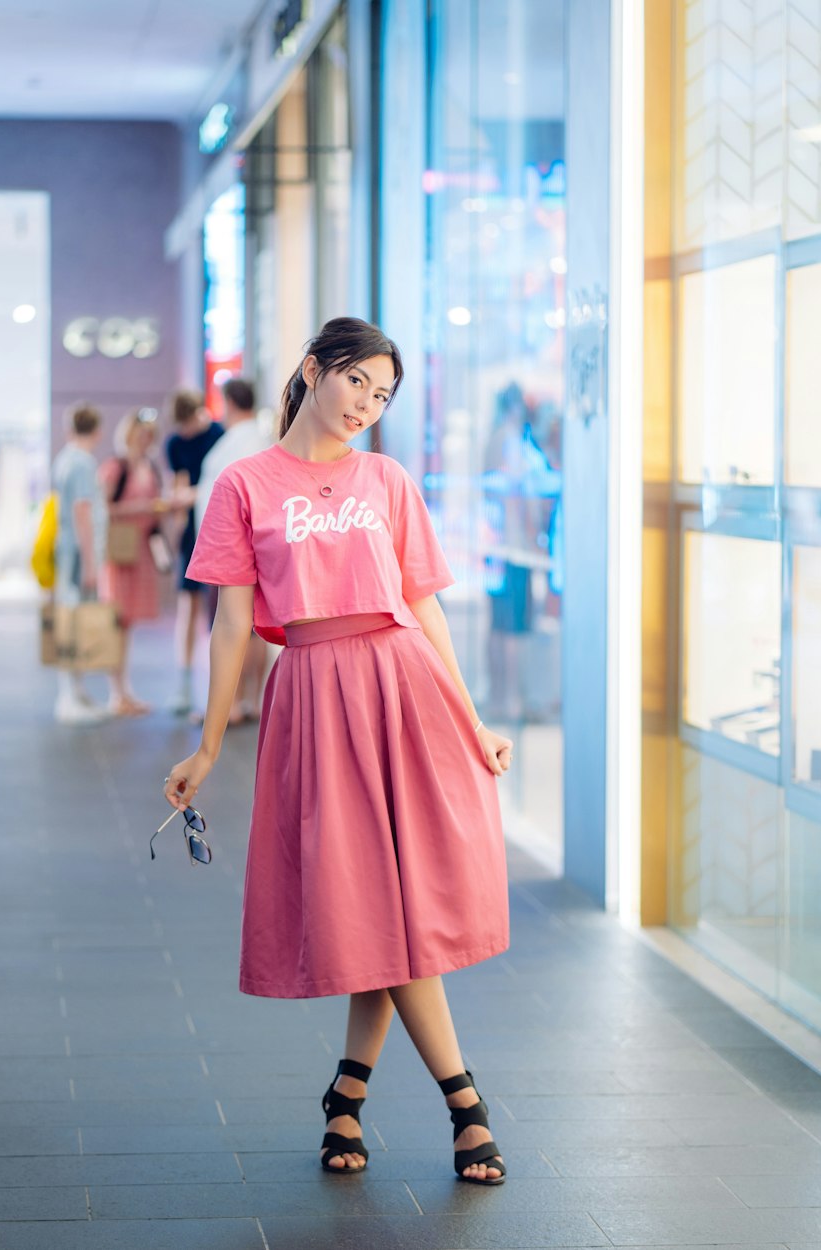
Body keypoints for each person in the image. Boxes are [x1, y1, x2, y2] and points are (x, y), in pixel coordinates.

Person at [163, 318, 513, 1185]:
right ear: (315, 369)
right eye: (359, 381)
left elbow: (424, 606)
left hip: (405, 692)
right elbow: (234, 623)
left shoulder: (388, 480)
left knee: (394, 911)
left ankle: (382, 1098)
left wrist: (474, 720)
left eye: (384, 394)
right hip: (315, 697)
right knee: (367, 905)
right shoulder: (245, 485)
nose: (368, 404)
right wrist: (208, 747)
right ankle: (438, 1101)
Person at [191, 377, 270, 723]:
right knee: (253, 628)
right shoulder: (258, 438)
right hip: (244, 548)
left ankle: (235, 703)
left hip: (234, 550)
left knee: (233, 625)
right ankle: (250, 699)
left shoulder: (242, 441)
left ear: (230, 402)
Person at [99, 408, 182, 716]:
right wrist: (141, 506)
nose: (145, 440)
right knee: (117, 622)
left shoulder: (150, 467)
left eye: (149, 435)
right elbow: (102, 508)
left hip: (142, 552)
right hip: (121, 553)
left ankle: (123, 692)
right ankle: (116, 693)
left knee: (128, 624)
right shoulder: (115, 467)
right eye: (141, 434)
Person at [163, 390, 224, 713]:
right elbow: (178, 487)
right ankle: (184, 685)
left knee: (218, 609)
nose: (183, 432)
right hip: (191, 530)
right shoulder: (175, 444)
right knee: (187, 604)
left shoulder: (218, 435)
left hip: (218, 527)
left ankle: (221, 686)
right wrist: (175, 530)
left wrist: (191, 495)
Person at [51, 401, 109, 725]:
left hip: (67, 552)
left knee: (71, 620)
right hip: (78, 555)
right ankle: (69, 696)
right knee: (75, 623)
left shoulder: (65, 460)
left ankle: (75, 692)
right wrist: (90, 563)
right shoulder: (83, 464)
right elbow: (82, 512)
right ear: (97, 430)